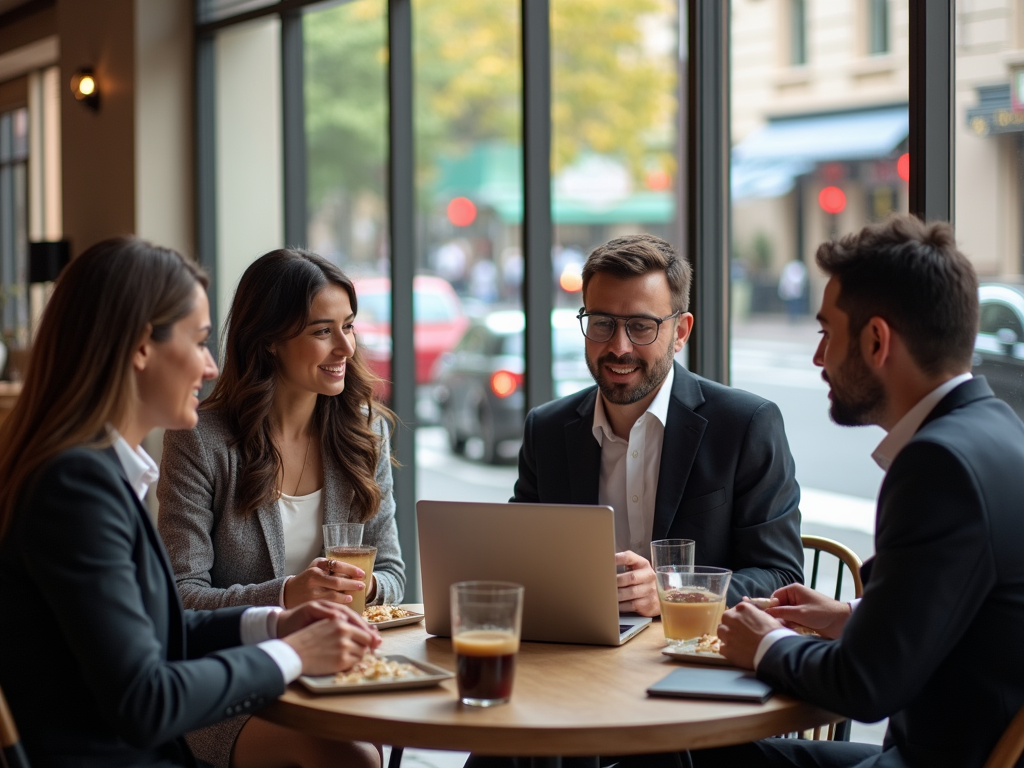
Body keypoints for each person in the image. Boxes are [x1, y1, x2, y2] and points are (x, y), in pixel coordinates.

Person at [0, 237, 382, 768]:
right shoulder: (76, 489)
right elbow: (145, 700)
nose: (209, 367)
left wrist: (275, 624)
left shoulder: (99, 473)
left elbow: (160, 628)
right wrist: (292, 654)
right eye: (199, 341)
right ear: (140, 348)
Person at [687, 215, 1024, 767]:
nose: (819, 357)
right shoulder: (998, 429)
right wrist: (852, 614)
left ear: (875, 340)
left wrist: (764, 644)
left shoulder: (938, 465)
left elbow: (865, 687)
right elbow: (968, 609)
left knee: (696, 757)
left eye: (827, 332)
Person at [157, 248, 403, 767]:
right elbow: (179, 599)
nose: (344, 347)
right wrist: (289, 594)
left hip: (340, 670)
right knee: (354, 761)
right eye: (321, 331)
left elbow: (394, 573)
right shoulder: (202, 441)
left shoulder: (364, 432)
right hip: (230, 684)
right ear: (269, 340)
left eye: (349, 326)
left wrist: (363, 586)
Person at [513, 234, 804, 611]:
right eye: (602, 323)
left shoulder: (746, 425)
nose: (619, 346)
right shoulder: (546, 430)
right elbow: (520, 561)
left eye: (641, 326)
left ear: (680, 332)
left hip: (696, 655)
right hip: (579, 652)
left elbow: (781, 576)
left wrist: (676, 593)